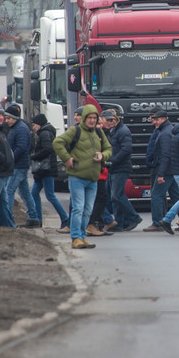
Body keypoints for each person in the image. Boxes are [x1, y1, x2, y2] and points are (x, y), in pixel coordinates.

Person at [53, 104, 111, 249]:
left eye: (94, 118)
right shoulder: (75, 130)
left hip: (93, 178)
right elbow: (57, 142)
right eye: (89, 118)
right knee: (78, 208)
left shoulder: (98, 133)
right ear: (84, 118)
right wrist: (66, 158)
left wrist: (103, 155)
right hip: (77, 176)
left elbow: (108, 148)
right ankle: (76, 238)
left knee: (88, 210)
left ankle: (83, 237)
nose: (92, 120)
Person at [29, 114, 69, 232]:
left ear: (39, 124)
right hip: (44, 170)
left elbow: (48, 149)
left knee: (50, 195)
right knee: (34, 193)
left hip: (46, 169)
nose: (33, 127)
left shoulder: (45, 133)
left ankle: (65, 218)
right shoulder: (45, 132)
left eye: (34, 125)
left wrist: (34, 156)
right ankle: (38, 219)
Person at [3, 104, 39, 228]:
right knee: (24, 193)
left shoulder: (20, 129)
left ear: (14, 118)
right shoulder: (17, 127)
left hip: (19, 165)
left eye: (8, 118)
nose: (6, 121)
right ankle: (34, 217)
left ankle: (8, 219)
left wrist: (11, 159)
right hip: (20, 165)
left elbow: (21, 147)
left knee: (9, 190)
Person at [143, 109, 176, 233]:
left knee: (156, 194)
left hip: (165, 171)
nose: (154, 122)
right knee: (177, 196)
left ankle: (157, 223)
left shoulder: (164, 133)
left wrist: (161, 173)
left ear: (164, 119)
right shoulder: (165, 131)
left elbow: (165, 155)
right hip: (169, 170)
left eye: (156, 119)